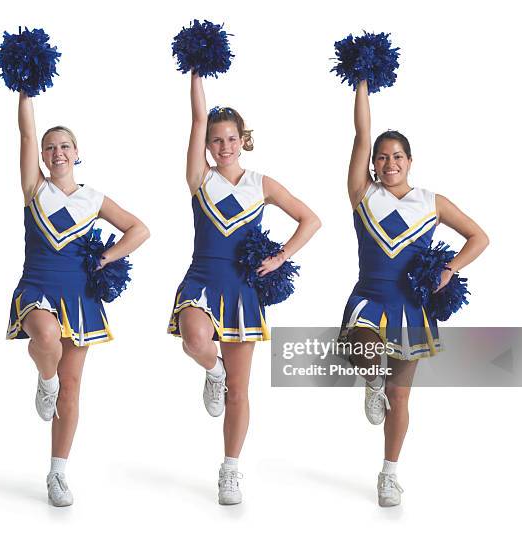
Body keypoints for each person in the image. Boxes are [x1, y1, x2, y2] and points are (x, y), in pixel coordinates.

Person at [168, 73, 321, 505]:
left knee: (241, 390)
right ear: (208, 146)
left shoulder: (261, 184)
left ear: (243, 139)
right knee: (194, 339)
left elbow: (310, 219)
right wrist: (197, 72)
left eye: (231, 138)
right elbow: (197, 118)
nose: (224, 146)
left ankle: (230, 470)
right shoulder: (199, 178)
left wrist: (280, 256)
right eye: (216, 140)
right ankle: (212, 371)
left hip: (242, 290)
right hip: (202, 278)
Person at [339, 79, 489, 507]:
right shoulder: (362, 194)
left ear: (410, 161)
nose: (389, 163)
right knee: (364, 353)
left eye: (397, 156)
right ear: (373, 163)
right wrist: (362, 83)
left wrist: (449, 268)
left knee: (401, 397)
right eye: (382, 157)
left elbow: (479, 236)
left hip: (412, 307)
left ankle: (389, 475)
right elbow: (360, 134)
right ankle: (372, 381)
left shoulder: (431, 201)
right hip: (370, 296)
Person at [6, 91, 150, 506]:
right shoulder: (34, 188)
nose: (56, 152)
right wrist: (25, 93)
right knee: (45, 338)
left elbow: (139, 229)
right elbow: (25, 133)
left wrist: (105, 258)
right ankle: (44, 379)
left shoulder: (93, 198)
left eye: (65, 146)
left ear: (77, 153)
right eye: (50, 147)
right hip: (37, 288)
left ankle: (57, 474)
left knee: (71, 391)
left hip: (80, 298)